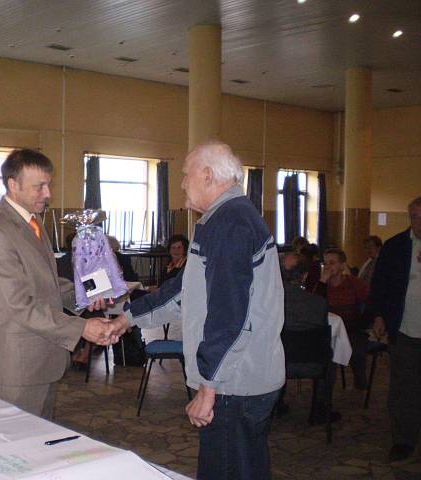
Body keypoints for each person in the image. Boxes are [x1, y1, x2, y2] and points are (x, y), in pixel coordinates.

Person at [114, 141, 285, 479]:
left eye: (185, 174)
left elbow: (229, 315)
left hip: (233, 384)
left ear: (208, 175)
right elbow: (183, 292)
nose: (181, 183)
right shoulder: (224, 219)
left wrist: (209, 387)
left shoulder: (230, 223)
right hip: (236, 380)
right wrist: (127, 318)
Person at [0, 149, 120, 419]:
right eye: (39, 186)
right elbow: (19, 305)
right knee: (16, 441)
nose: (48, 193)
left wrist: (87, 294)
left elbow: (45, 282)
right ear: (13, 185)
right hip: (18, 366)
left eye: (48, 184)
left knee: (40, 438)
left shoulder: (32, 221)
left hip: (43, 358)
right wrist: (82, 327)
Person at [371, 196, 421, 463]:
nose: (419, 222)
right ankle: (403, 438)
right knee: (403, 386)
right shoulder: (396, 246)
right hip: (404, 328)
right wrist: (379, 315)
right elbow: (380, 285)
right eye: (415, 217)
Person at [278, 252, 334, 422]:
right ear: (304, 276)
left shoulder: (271, 302)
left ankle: (276, 404)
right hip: (313, 365)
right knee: (329, 353)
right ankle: (319, 408)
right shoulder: (318, 303)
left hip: (278, 365)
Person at [314, 248, 369, 389]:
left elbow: (370, 302)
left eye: (332, 263)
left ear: (342, 265)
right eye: (325, 263)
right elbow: (315, 307)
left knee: (357, 351)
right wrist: (322, 281)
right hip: (329, 331)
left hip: (352, 328)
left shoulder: (354, 283)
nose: (327, 267)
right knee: (327, 354)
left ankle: (360, 379)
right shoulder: (322, 285)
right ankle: (325, 393)